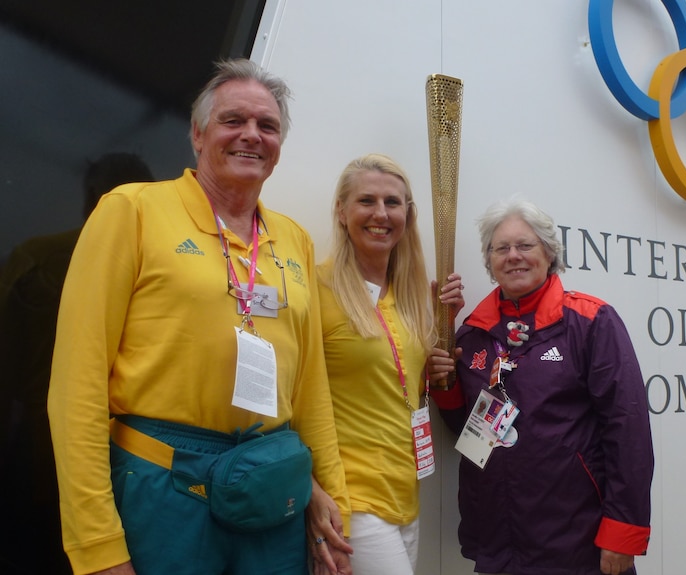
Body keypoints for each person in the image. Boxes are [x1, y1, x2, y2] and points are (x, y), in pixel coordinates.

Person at [47, 59, 351, 575]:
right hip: (162, 487)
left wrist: (326, 494)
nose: (251, 136)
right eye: (234, 121)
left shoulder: (293, 239)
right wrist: (96, 541)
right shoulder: (133, 211)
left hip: (272, 491)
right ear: (197, 132)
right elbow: (76, 385)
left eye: (267, 126)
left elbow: (310, 388)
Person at [432, 198, 654, 575]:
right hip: (499, 541)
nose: (513, 256)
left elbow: (628, 431)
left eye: (525, 245)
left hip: (578, 541)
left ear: (549, 253)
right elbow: (467, 430)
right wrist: (444, 385)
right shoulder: (471, 334)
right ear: (489, 261)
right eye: (501, 248)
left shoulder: (590, 321)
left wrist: (622, 534)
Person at [0, 153, 154, 575]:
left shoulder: (35, 256)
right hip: (128, 455)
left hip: (40, 446)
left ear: (89, 196)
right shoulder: (168, 270)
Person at [310, 153, 463, 575]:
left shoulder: (412, 300)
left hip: (404, 493)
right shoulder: (314, 288)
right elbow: (290, 398)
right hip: (350, 499)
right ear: (342, 211)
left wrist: (440, 353)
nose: (381, 214)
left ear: (408, 215)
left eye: (393, 203)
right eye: (367, 201)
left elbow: (404, 389)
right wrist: (311, 491)